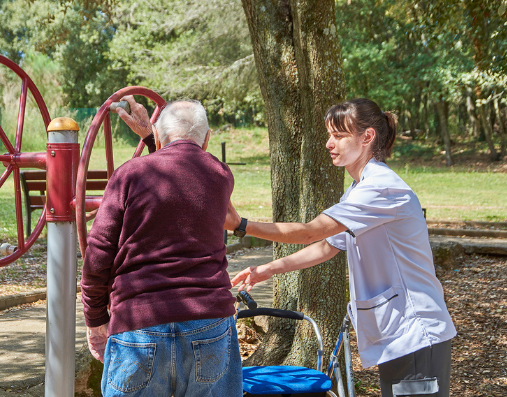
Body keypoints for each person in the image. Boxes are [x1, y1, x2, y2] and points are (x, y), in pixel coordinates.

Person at [229, 98, 456, 397]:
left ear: (367, 137)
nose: (328, 143)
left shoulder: (381, 189)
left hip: (417, 332)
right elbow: (326, 247)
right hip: (401, 333)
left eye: (338, 135)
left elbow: (310, 232)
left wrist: (241, 224)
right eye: (329, 134)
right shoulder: (359, 189)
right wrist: (267, 269)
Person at [81, 97, 242, 397]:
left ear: (157, 136)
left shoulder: (128, 174)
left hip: (138, 322)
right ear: (207, 139)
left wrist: (95, 319)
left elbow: (99, 251)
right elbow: (185, 174)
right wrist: (153, 138)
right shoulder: (221, 176)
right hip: (208, 320)